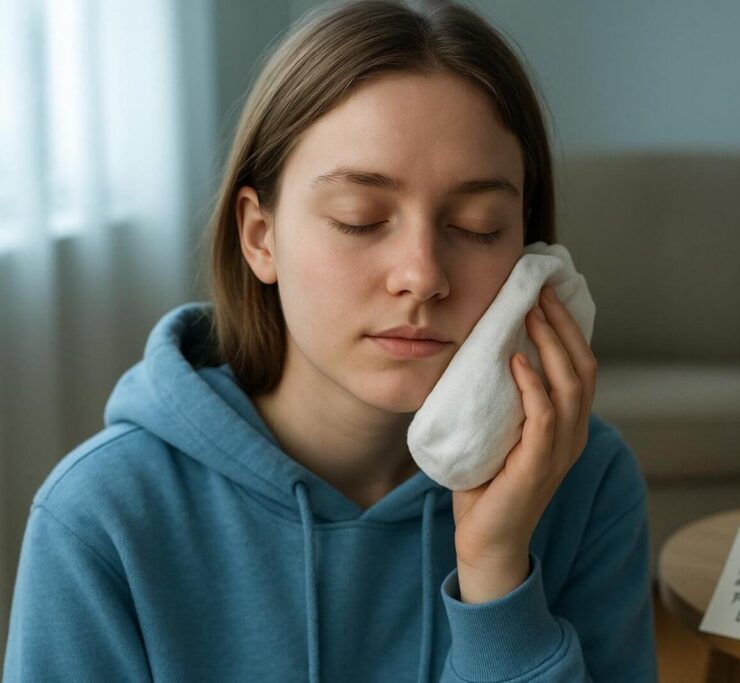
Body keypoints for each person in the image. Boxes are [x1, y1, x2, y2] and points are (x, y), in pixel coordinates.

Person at [2, 1, 657, 681]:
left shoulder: (584, 481)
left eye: (478, 224)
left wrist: (497, 574)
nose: (423, 274)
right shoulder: (102, 515)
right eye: (360, 218)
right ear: (260, 236)